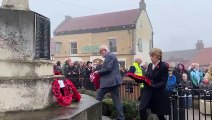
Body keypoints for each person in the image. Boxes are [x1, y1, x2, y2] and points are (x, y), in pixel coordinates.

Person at [94, 45, 125, 120]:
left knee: (99, 95)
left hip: (110, 82)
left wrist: (98, 72)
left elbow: (108, 68)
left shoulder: (110, 56)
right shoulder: (111, 55)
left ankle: (95, 115)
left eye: (101, 52)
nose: (101, 55)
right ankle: (121, 118)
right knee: (116, 100)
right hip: (113, 82)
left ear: (104, 50)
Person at [139, 48, 170, 120]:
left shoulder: (163, 66)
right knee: (142, 108)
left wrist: (153, 85)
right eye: (150, 56)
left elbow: (163, 82)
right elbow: (148, 76)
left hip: (158, 93)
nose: (151, 58)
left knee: (160, 115)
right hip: (148, 92)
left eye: (152, 56)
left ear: (158, 56)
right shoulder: (150, 65)